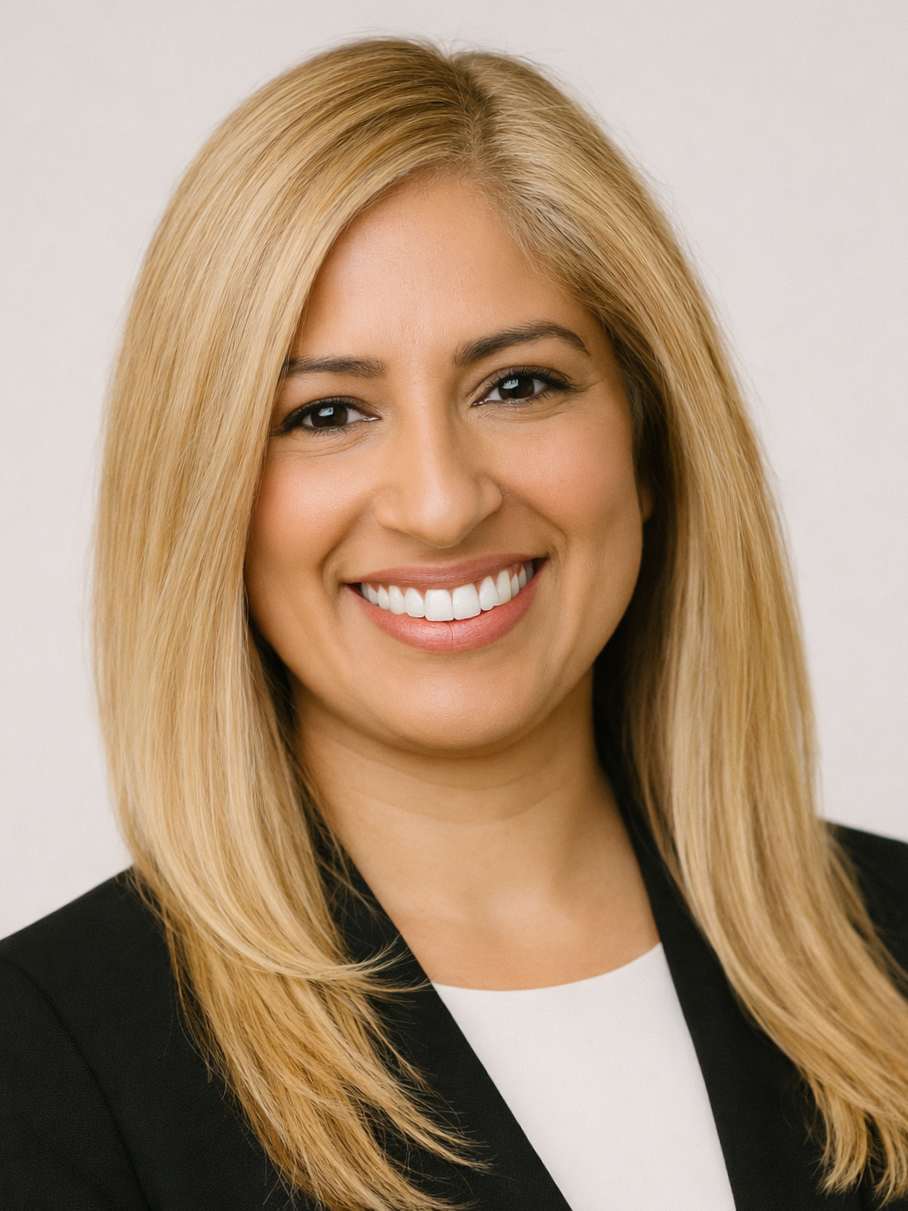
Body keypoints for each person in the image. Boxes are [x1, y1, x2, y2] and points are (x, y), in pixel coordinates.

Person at [1, 37, 907, 1211]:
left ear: (647, 444)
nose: (440, 502)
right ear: (206, 499)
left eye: (517, 384)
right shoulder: (47, 1060)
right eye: (326, 412)